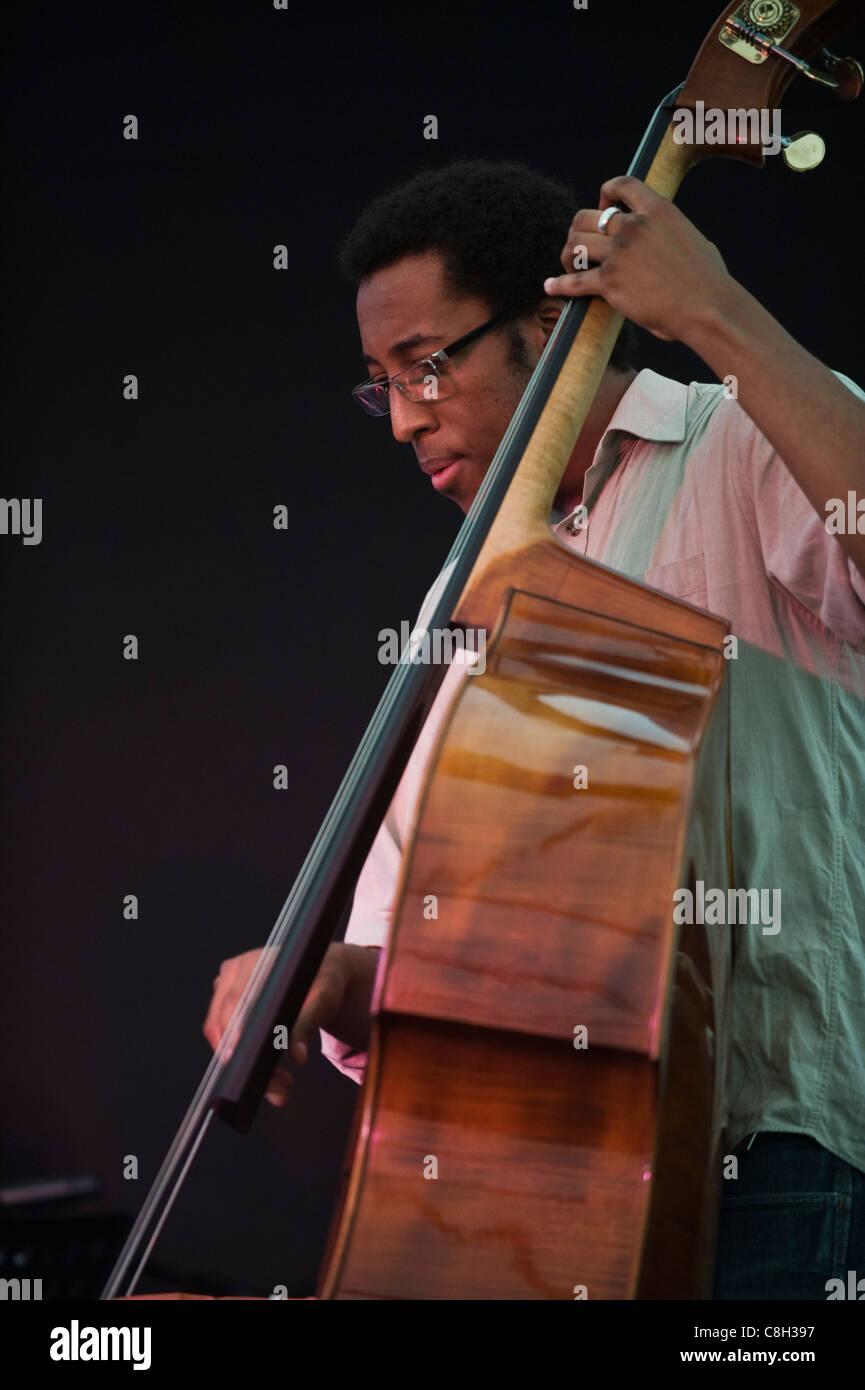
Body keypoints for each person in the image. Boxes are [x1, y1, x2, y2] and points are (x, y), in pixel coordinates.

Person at [204, 159, 865, 1300]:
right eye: (379, 386)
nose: (405, 417)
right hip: (557, 1192)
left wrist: (710, 308)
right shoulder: (467, 594)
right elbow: (416, 938)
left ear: (549, 320)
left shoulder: (736, 444)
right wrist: (318, 976)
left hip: (773, 1158)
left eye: (427, 365)